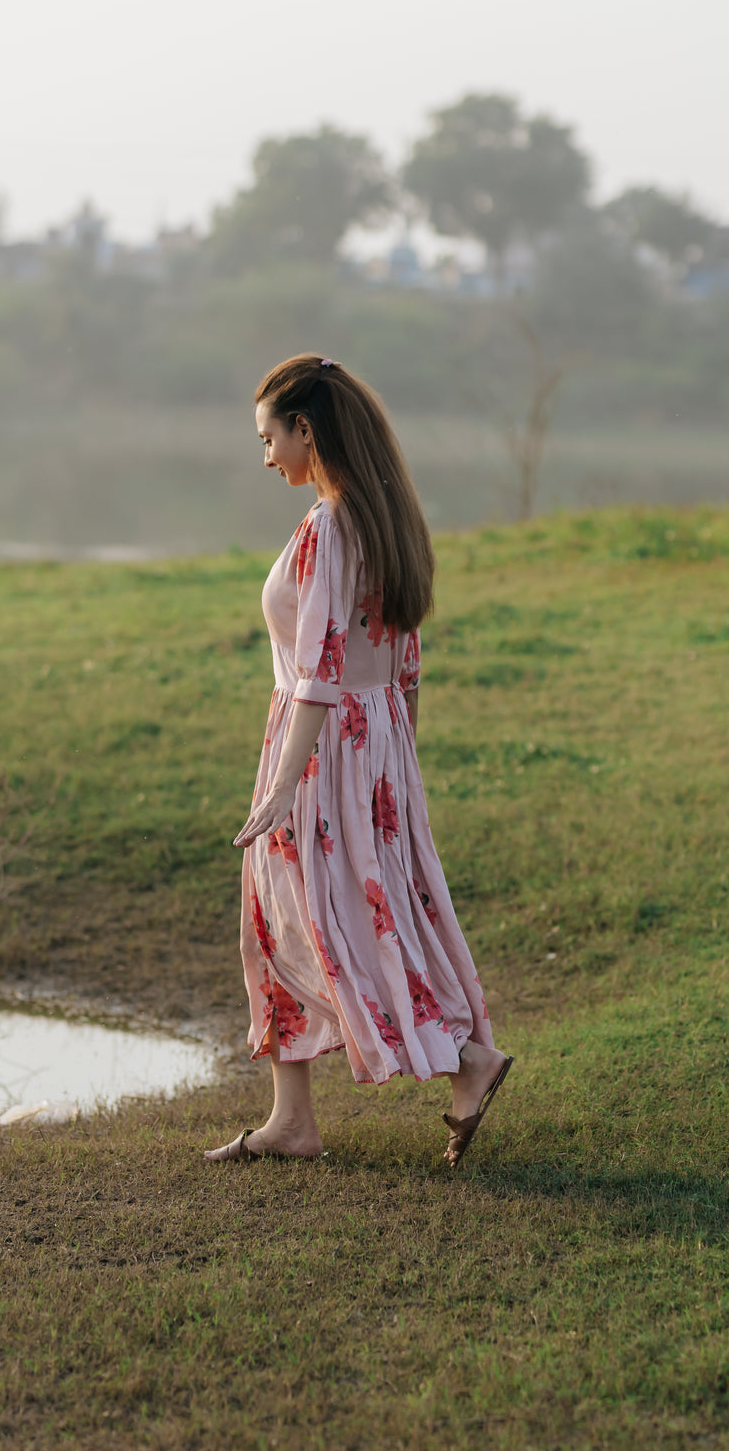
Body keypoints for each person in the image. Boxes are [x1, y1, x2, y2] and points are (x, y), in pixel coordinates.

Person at [205, 355, 512, 1167]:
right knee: (367, 907)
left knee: (311, 914)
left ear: (306, 428)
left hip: (325, 747)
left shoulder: (329, 528)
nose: (266, 455)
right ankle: (295, 1119)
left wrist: (281, 786)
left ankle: (462, 1056)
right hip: (372, 743)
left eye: (270, 437)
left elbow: (317, 670)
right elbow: (404, 661)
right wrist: (397, 767)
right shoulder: (387, 517)